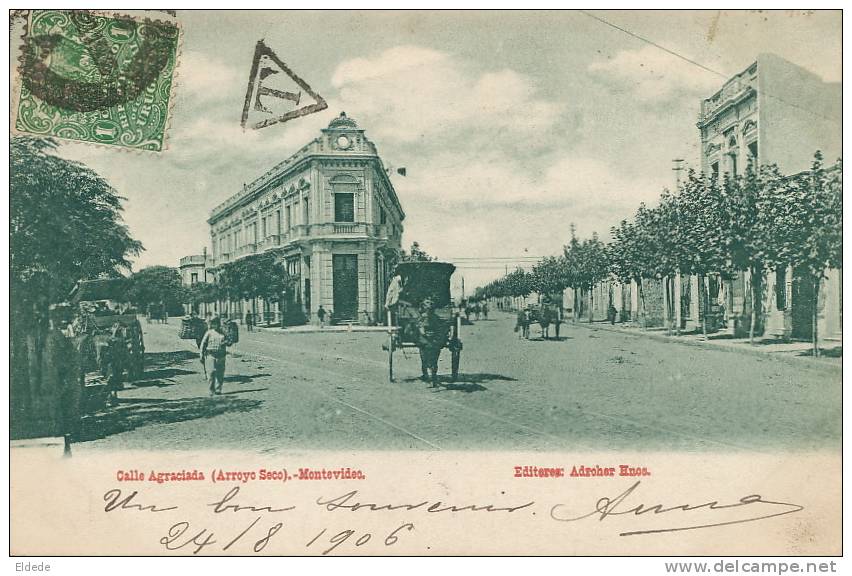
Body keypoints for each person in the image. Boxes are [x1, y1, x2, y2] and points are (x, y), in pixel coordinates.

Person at [416, 297, 447, 387]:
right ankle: (426, 374)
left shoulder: (436, 318)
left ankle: (433, 377)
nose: (429, 306)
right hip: (424, 341)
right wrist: (422, 332)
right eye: (427, 304)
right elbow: (419, 327)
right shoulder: (421, 318)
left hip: (433, 341)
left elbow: (440, 329)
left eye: (431, 304)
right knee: (424, 359)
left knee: (434, 360)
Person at [200, 316, 229, 396]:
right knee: (211, 373)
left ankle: (218, 389)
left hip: (221, 355)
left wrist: (226, 342)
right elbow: (203, 344)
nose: (214, 325)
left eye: (216, 324)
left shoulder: (223, 333)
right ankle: (211, 390)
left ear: (219, 324)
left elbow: (229, 342)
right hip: (210, 355)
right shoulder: (209, 333)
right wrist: (201, 354)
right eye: (213, 324)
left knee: (220, 373)